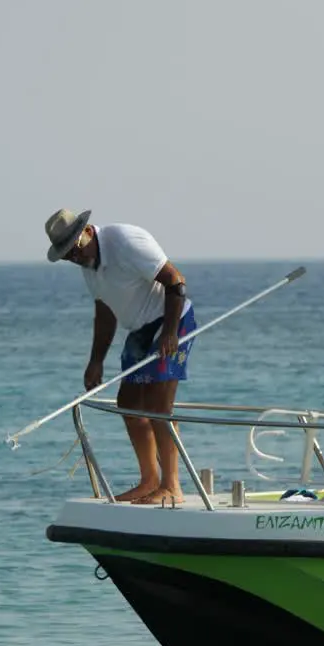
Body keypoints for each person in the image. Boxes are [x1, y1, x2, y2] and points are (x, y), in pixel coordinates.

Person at [45, 209, 196, 505]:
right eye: (67, 257)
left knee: (157, 405)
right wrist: (96, 360)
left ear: (87, 231)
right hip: (140, 330)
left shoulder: (125, 240)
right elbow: (104, 314)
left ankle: (172, 486)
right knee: (128, 403)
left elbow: (176, 281)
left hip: (172, 321)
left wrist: (169, 333)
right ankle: (149, 480)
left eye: (74, 250)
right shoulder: (89, 266)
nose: (74, 259)